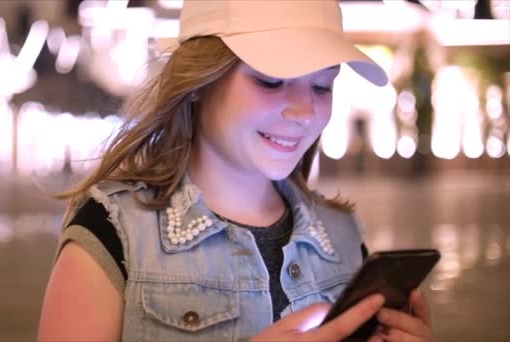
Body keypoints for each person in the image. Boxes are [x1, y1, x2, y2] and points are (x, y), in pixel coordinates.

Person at [38, 1, 437, 341]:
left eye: (321, 87)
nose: (303, 112)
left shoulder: (344, 235)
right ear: (197, 80)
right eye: (270, 80)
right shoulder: (112, 234)